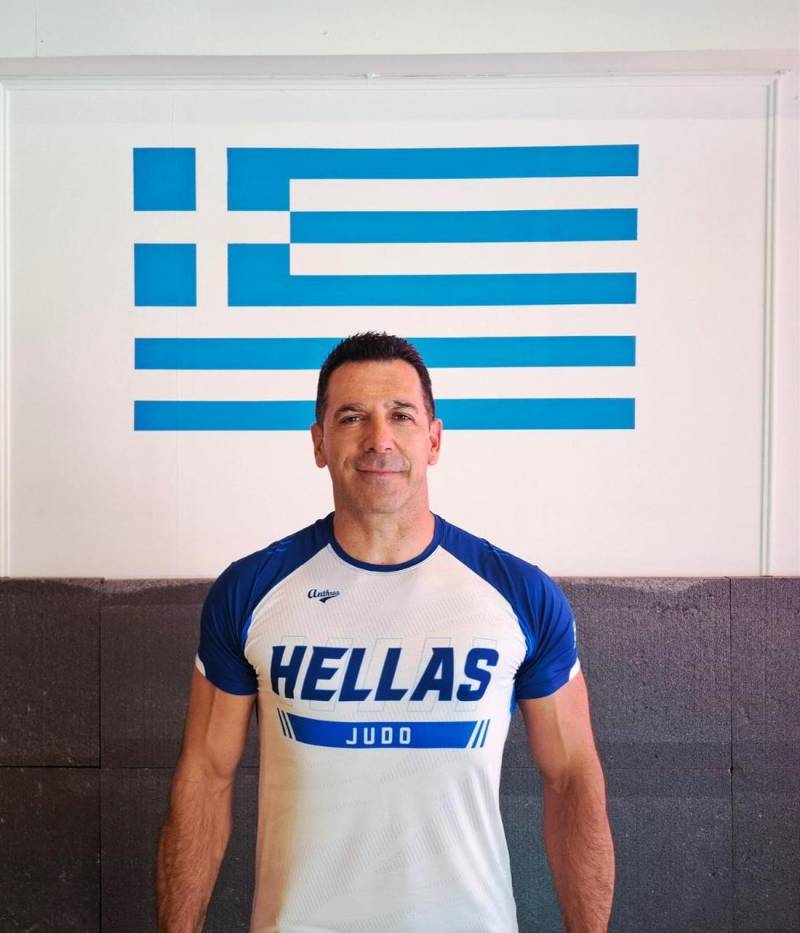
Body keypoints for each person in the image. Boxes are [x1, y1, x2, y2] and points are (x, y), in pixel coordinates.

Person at [156, 331, 615, 932]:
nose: (379, 439)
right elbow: (205, 779)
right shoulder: (250, 591)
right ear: (319, 443)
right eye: (352, 417)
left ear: (434, 439)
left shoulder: (520, 594)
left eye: (401, 415)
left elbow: (572, 778)